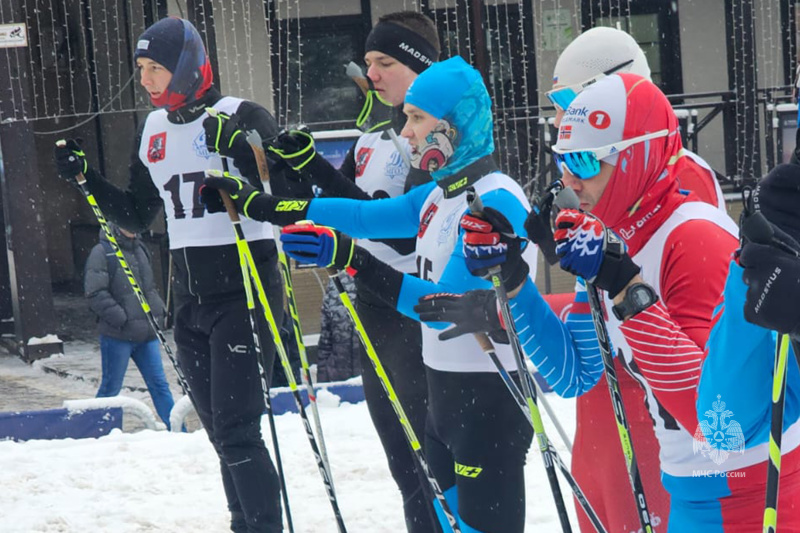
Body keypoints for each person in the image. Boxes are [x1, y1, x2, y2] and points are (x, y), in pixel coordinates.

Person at [202, 55, 538, 533]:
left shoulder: (496, 199)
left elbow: (449, 310)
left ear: (454, 126)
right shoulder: (438, 195)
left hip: (487, 403)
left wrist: (350, 259)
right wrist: (261, 203)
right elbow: (360, 217)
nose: (407, 132)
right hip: (444, 399)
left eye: (418, 119)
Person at [416, 73, 741, 530]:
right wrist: (513, 279)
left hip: (737, 493)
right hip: (686, 487)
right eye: (563, 161)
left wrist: (625, 285)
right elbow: (573, 373)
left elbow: (718, 422)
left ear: (636, 156)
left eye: (586, 162)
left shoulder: (691, 239)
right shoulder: (612, 237)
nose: (569, 181)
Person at [207, 11, 442, 532]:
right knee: (406, 470)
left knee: (434, 471)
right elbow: (335, 209)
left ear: (417, 65)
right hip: (376, 307)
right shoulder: (374, 138)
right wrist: (274, 174)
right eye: (369, 62)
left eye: (383, 63)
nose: (370, 74)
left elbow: (398, 230)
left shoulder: (432, 139)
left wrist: (308, 175)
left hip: (418, 310)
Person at [54, 17, 286, 532]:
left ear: (185, 66)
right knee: (220, 434)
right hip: (191, 296)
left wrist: (245, 163)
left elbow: (288, 194)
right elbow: (138, 214)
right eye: (141, 69)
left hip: (246, 286)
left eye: (156, 68)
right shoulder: (153, 130)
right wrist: (84, 176)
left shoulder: (241, 115)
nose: (146, 79)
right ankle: (242, 523)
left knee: (239, 429)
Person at [691, 164, 800, 531]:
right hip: (703, 499)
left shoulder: (687, 230)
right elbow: (722, 428)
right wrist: (751, 276)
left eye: (587, 160)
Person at [547, 26, 726, 212]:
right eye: (555, 104)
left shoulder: (685, 175)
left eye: (568, 101)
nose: (558, 121)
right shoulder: (591, 180)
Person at [84, 223, 175, 429]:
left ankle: (178, 430)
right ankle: (94, 431)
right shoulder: (102, 252)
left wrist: (158, 311)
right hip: (118, 335)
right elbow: (95, 292)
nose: (133, 227)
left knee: (160, 385)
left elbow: (148, 288)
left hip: (147, 333)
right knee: (110, 388)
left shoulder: (140, 248)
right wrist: (121, 318)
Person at [316, 275, 361, 383]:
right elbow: (325, 338)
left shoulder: (377, 279)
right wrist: (322, 380)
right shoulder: (335, 283)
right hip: (337, 378)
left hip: (372, 379)